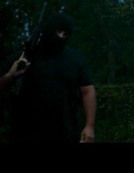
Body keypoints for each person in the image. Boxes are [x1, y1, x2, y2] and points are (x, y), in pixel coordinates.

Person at [0, 13, 96, 143]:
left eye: (65, 34)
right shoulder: (24, 56)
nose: (61, 37)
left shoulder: (75, 59)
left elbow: (88, 91)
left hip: (65, 132)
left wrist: (89, 126)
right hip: (24, 132)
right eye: (58, 32)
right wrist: (10, 75)